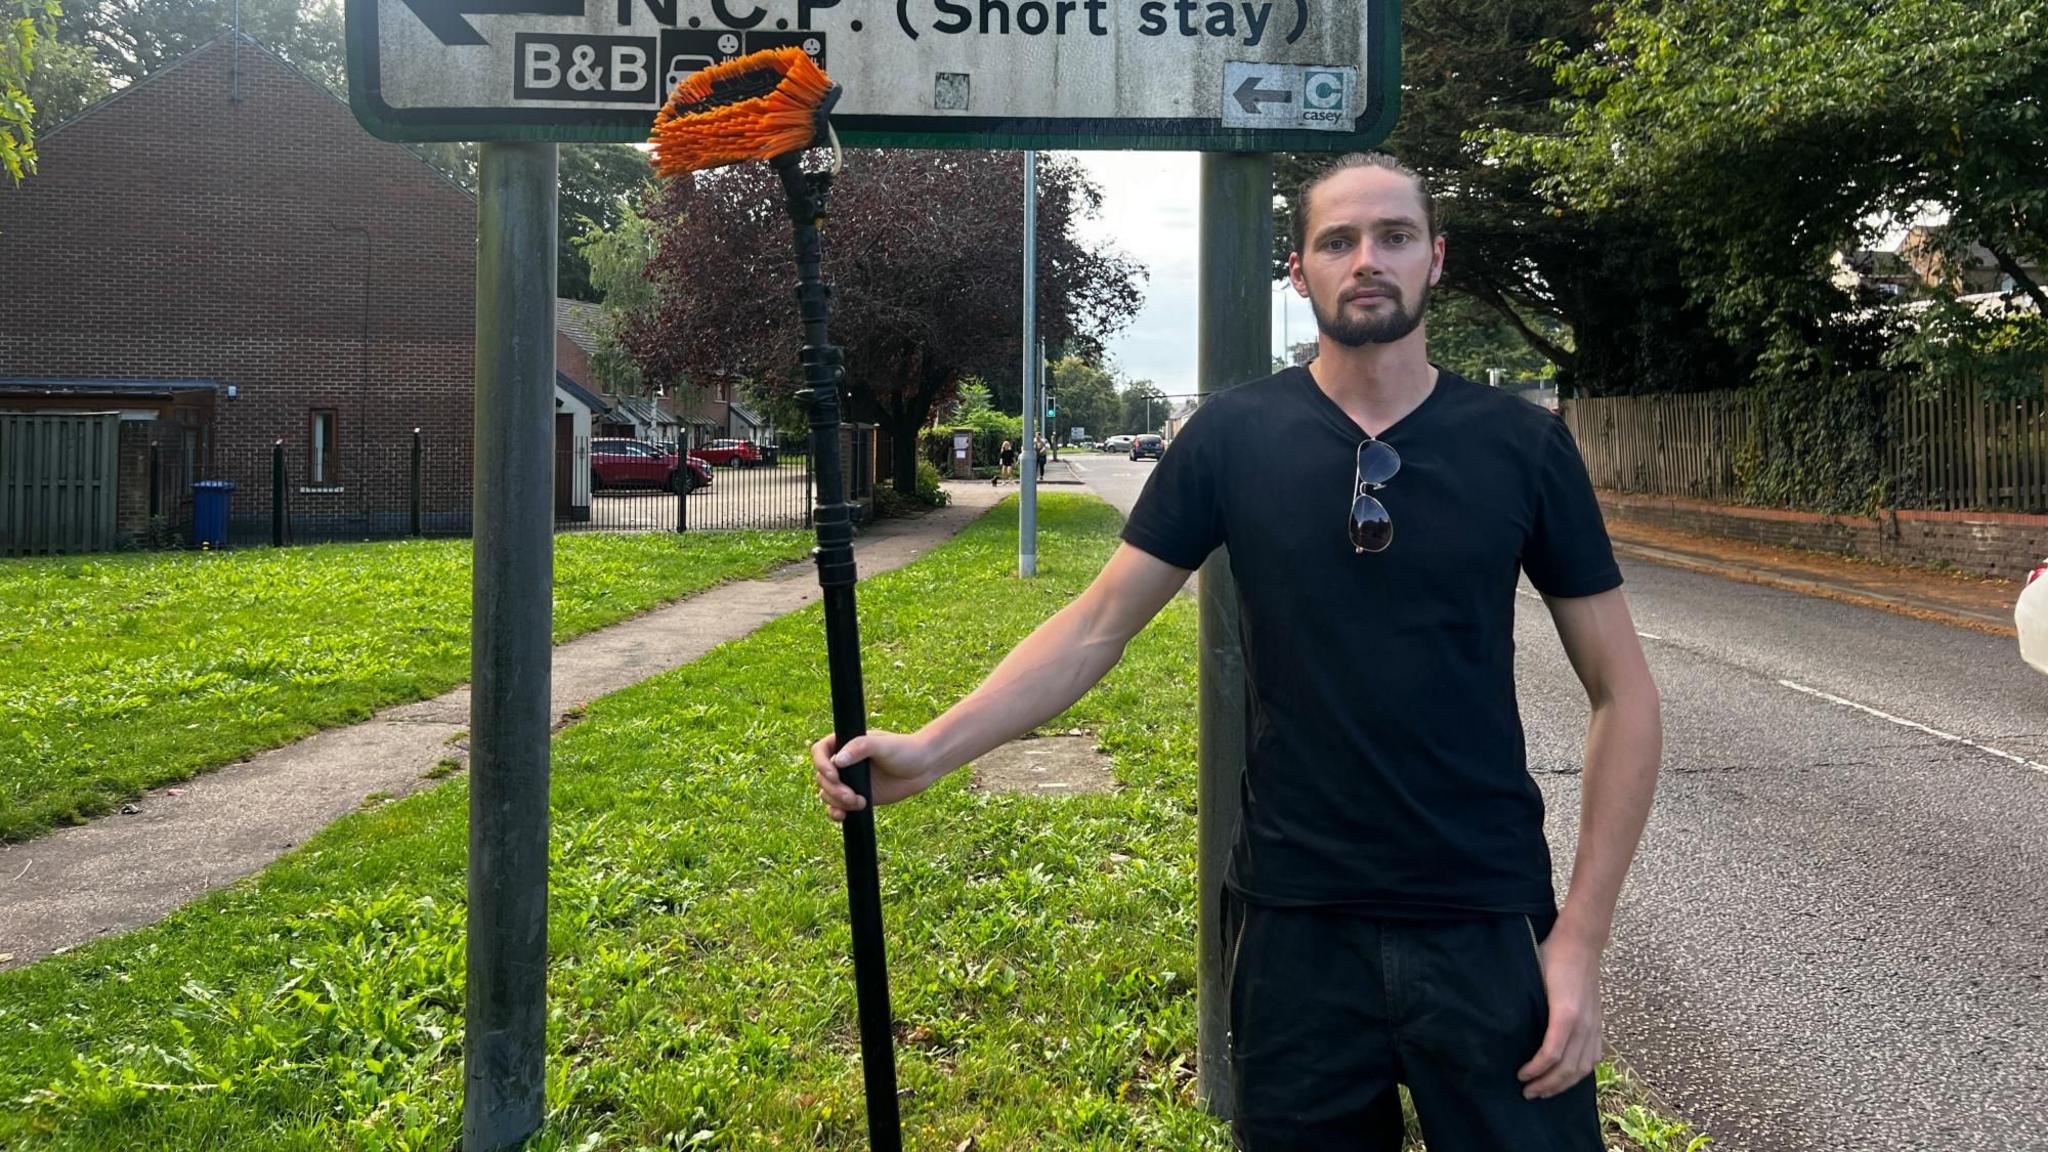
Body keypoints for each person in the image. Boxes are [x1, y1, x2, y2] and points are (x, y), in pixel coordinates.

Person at [812, 152, 1661, 1151]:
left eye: (1392, 235)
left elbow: (1623, 695)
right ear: (1297, 272)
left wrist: (1579, 943)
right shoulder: (1230, 437)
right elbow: (1095, 626)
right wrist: (930, 749)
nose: (1366, 259)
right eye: (1335, 240)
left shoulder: (1520, 446)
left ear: (1435, 258)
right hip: (1294, 929)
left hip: (1481, 919)